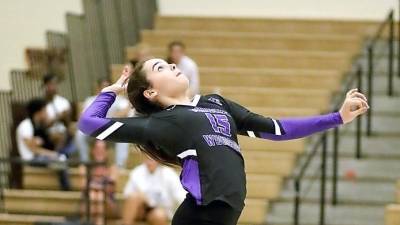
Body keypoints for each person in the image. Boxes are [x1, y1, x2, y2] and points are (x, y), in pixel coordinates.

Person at [78, 60, 369, 225]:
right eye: (160, 68)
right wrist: (110, 92)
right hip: (200, 217)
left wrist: (336, 118)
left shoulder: (216, 102)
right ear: (151, 93)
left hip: (224, 215)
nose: (171, 64)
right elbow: (89, 123)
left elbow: (276, 128)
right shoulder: (158, 123)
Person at [75, 78, 132, 168]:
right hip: (94, 130)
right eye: (103, 87)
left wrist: (104, 119)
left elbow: (125, 111)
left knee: (123, 134)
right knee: (79, 134)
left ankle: (120, 166)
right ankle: (85, 162)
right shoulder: (90, 100)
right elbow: (81, 118)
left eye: (108, 87)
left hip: (112, 130)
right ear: (98, 89)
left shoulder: (119, 100)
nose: (106, 89)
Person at [16, 98, 70, 190]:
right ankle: (66, 189)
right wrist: (52, 155)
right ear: (39, 112)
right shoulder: (25, 126)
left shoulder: (37, 125)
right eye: (44, 110)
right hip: (30, 159)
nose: (46, 113)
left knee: (63, 156)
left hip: (38, 157)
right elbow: (33, 149)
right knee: (60, 161)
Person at [122, 155, 186, 225]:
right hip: (140, 209)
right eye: (147, 159)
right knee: (134, 197)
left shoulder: (168, 174)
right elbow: (127, 195)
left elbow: (180, 195)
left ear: (158, 160)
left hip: (160, 209)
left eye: (152, 159)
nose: (150, 162)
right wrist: (142, 198)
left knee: (159, 215)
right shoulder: (137, 172)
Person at [79, 140, 119, 225]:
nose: (99, 151)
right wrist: (100, 187)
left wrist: (94, 186)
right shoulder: (85, 167)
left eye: (102, 149)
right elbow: (84, 186)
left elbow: (110, 189)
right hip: (88, 201)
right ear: (92, 150)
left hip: (108, 202)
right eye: (97, 148)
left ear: (107, 152)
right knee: (94, 196)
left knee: (99, 196)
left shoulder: (113, 168)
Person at [43, 73, 75, 156]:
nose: (53, 87)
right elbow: (44, 125)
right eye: (51, 84)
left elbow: (68, 123)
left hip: (64, 130)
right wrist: (58, 117)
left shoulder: (63, 102)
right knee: (59, 136)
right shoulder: (42, 104)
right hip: (48, 132)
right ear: (45, 86)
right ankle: (57, 157)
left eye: (55, 84)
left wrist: (66, 117)